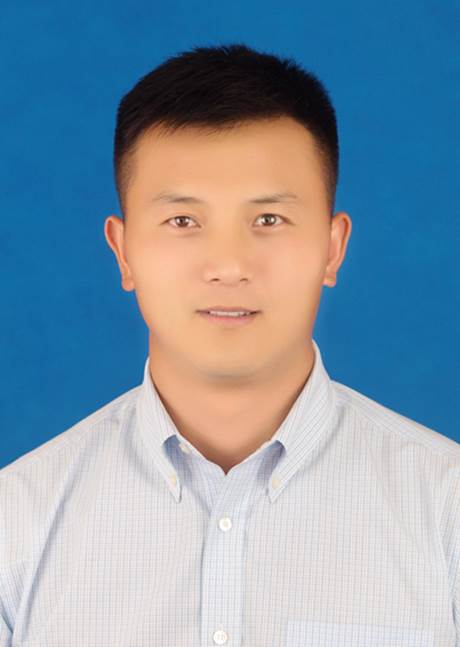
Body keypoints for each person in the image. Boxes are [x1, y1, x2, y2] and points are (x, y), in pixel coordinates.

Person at [1, 43, 458, 647]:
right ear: (124, 251)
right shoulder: (17, 523)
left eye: (268, 220)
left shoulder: (446, 511)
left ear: (332, 248)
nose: (228, 266)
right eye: (183, 221)